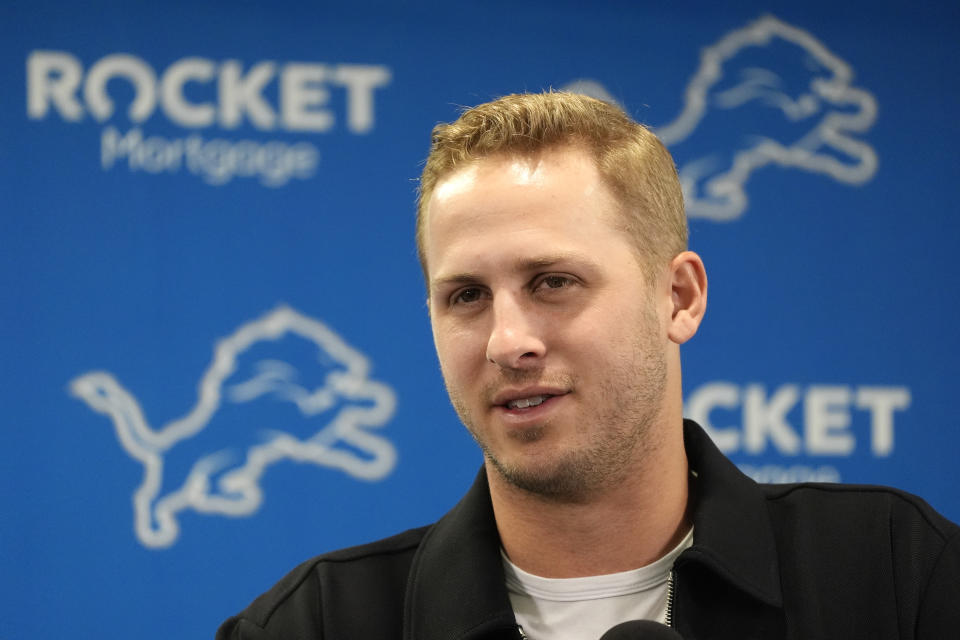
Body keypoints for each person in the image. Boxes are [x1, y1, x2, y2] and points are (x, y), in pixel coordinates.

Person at [217, 92, 959, 639]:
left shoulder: (900, 576)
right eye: (467, 296)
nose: (508, 341)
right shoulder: (314, 624)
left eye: (553, 283)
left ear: (679, 297)